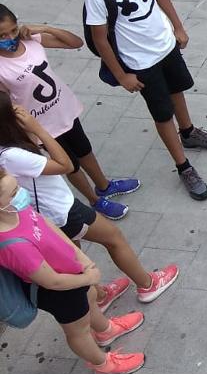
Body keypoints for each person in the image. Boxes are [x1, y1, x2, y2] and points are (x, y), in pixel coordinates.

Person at [0, 95, 179, 311]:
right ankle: (147, 284)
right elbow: (65, 164)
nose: (21, 108)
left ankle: (100, 296)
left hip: (46, 214)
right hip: (62, 211)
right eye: (13, 106)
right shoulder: (11, 156)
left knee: (74, 260)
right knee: (114, 238)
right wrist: (37, 128)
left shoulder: (9, 150)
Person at [85, 0, 207, 200]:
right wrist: (123, 75)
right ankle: (183, 166)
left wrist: (178, 27)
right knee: (162, 114)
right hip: (140, 62)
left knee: (177, 90)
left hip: (166, 46)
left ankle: (188, 131)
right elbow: (100, 40)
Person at [0, 167, 146, 374]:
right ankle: (103, 364)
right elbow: (52, 282)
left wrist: (82, 261)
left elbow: (46, 224)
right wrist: (89, 276)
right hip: (60, 292)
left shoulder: (14, 209)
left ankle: (106, 330)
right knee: (78, 330)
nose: (20, 194)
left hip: (74, 272)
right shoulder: (12, 245)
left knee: (90, 299)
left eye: (17, 186)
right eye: (13, 193)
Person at [0, 4, 139, 220]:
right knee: (71, 164)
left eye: (13, 30)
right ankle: (95, 200)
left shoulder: (31, 41)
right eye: (2, 35)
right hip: (40, 124)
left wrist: (44, 29)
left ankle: (104, 185)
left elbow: (75, 43)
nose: (10, 37)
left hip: (63, 108)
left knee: (84, 149)